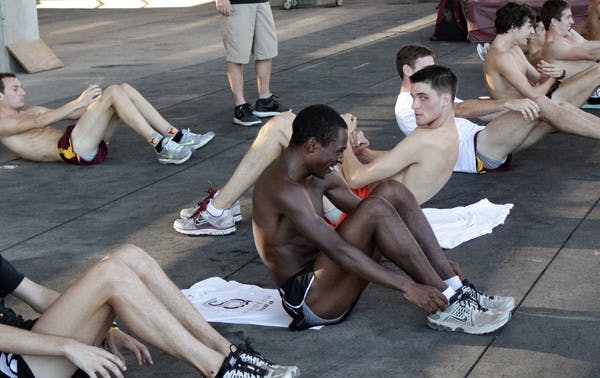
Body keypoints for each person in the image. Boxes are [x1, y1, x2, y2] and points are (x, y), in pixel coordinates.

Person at [252, 94, 515, 336]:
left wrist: (437, 263)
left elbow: (371, 215)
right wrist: (407, 286)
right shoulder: (283, 188)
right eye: (337, 152)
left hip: (328, 275)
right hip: (309, 300)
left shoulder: (319, 173)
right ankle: (450, 303)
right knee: (375, 208)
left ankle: (452, 284)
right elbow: (340, 250)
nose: (340, 161)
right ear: (312, 145)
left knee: (391, 191)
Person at [0, 244, 299, 378]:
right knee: (111, 276)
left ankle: (227, 352)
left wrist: (109, 328)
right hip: (12, 365)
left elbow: (36, 293)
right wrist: (69, 346)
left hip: (30, 347)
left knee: (129, 256)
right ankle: (217, 370)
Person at [393, 44, 551, 177]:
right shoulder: (406, 106)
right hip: (477, 149)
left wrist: (518, 108)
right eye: (427, 68)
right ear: (407, 70)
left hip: (484, 142)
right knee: (542, 105)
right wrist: (508, 104)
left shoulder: (431, 94)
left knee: (551, 115)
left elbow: (481, 114)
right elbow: (461, 109)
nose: (433, 73)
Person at [0, 73, 214, 165]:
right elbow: (40, 122)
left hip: (85, 141)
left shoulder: (31, 109)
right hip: (72, 151)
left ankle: (175, 136)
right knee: (113, 92)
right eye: (15, 89)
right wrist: (78, 102)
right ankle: (160, 146)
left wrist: (91, 102)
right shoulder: (2, 123)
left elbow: (73, 114)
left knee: (122, 89)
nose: (23, 92)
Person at [482, 2, 600, 139]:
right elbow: (533, 95)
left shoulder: (514, 49)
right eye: (528, 27)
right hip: (523, 117)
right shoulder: (499, 57)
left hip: (538, 104)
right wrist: (553, 78)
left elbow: (538, 78)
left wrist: (555, 72)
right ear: (513, 28)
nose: (532, 33)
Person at [216, 0, 290, 126]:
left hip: (262, 2)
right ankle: (240, 107)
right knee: (237, 55)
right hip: (237, 4)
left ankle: (265, 101)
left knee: (266, 50)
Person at [540, 0, 600, 102]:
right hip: (587, 91)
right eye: (568, 17)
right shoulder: (554, 45)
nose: (572, 21)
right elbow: (590, 54)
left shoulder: (567, 32)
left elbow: (586, 44)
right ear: (554, 22)